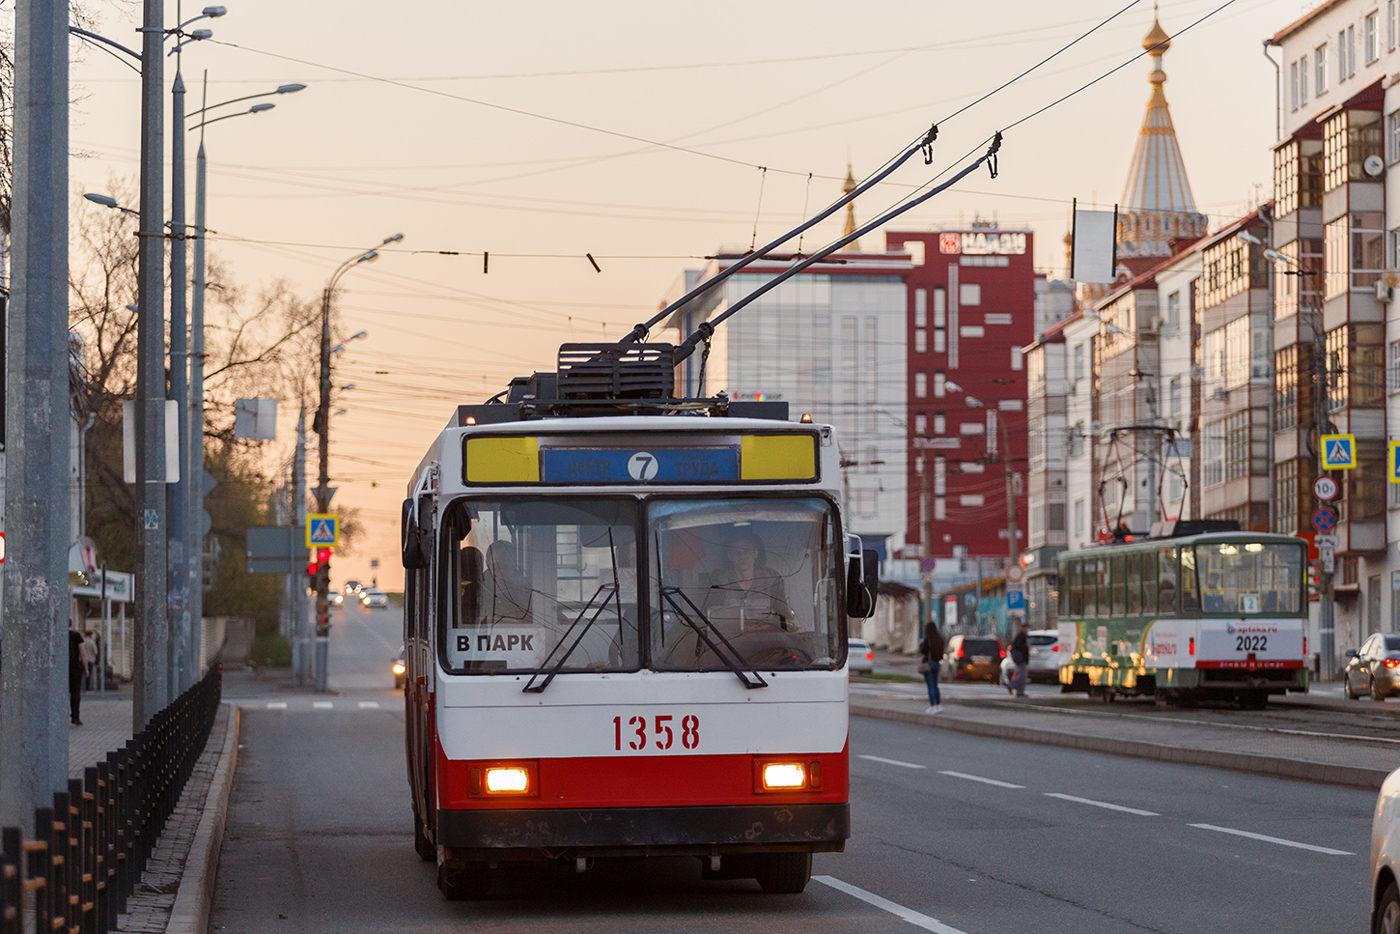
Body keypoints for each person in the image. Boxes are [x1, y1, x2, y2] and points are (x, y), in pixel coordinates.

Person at [702, 533, 793, 630]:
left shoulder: (772, 580)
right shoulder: (719, 582)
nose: (742, 556)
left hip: (766, 641)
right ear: (730, 557)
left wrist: (787, 627)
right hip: (730, 641)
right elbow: (711, 621)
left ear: (755, 553)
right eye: (736, 552)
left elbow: (784, 617)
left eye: (747, 551)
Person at [483, 540, 532, 623]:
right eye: (496, 567)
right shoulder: (478, 590)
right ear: (488, 565)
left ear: (514, 564)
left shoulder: (527, 590)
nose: (501, 572)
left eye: (505, 566)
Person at [920, 620, 945, 715]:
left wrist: (921, 644)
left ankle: (932, 706)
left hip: (928, 664)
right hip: (936, 663)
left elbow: (923, 650)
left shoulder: (928, 639)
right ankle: (938, 705)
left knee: (930, 685)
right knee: (935, 685)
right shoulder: (939, 639)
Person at [69, 622, 90, 726]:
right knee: (75, 692)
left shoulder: (57, 635)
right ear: (71, 624)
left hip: (61, 669)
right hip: (74, 667)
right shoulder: (77, 636)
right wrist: (86, 668)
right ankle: (75, 716)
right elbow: (83, 653)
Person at [1008, 621, 1030, 697]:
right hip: (1021, 658)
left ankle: (1020, 692)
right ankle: (1011, 685)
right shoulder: (1021, 636)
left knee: (1023, 675)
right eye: (1026, 628)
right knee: (1022, 675)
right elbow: (1020, 646)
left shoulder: (1021, 636)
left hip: (1020, 658)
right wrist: (1026, 645)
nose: (1027, 630)